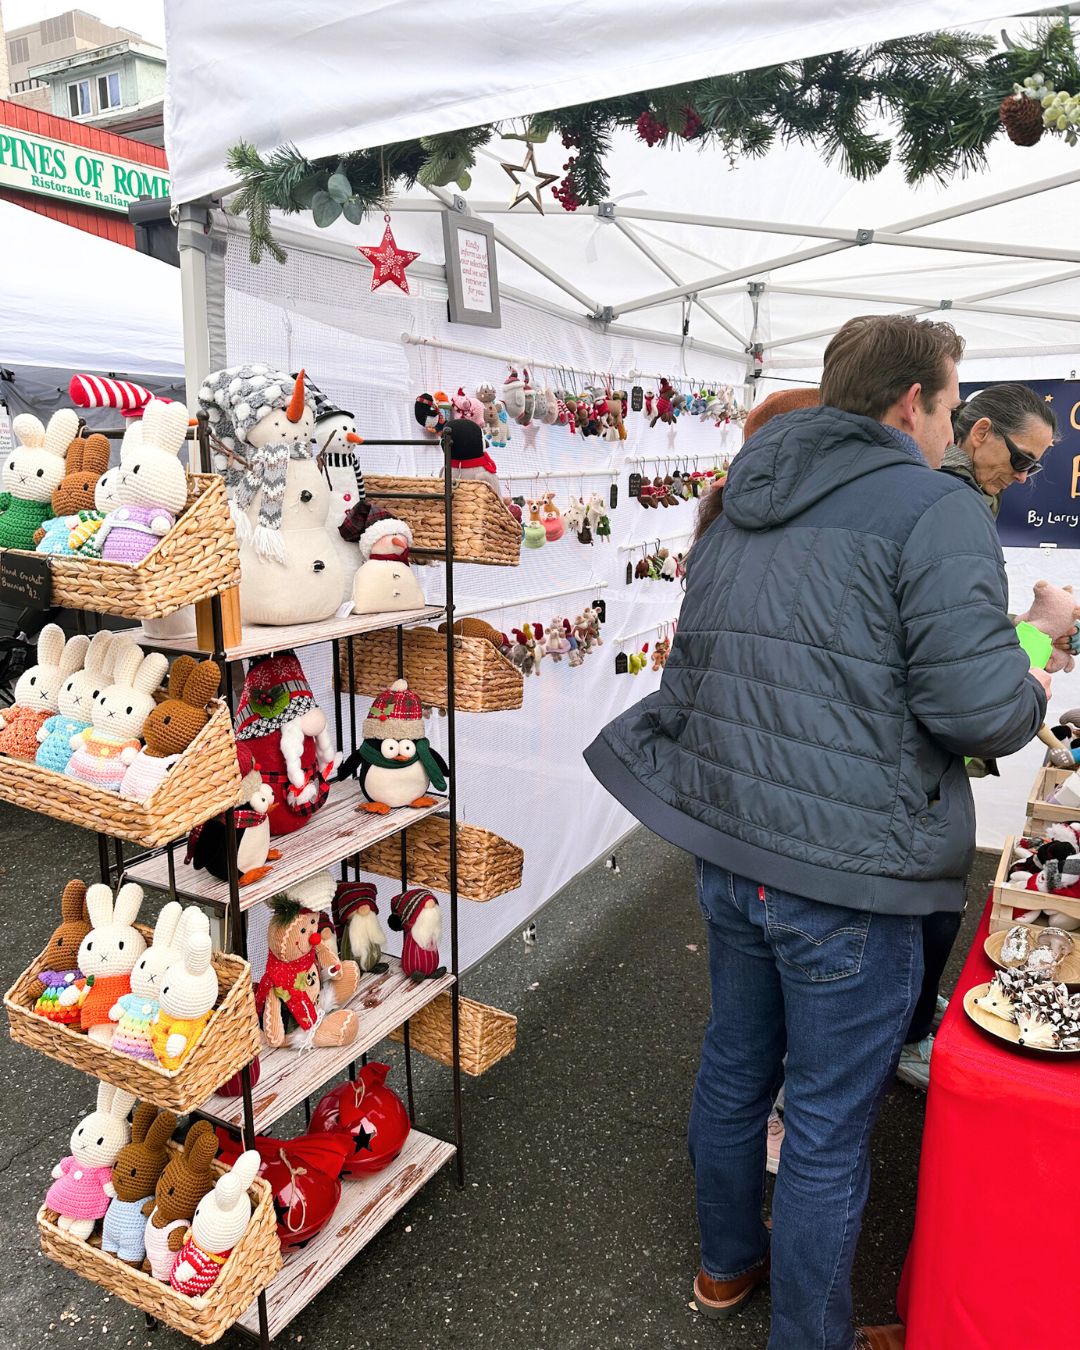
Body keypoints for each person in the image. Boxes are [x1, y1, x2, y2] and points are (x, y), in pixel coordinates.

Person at [584, 315, 1048, 1350]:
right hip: (850, 871)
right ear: (911, 404)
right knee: (829, 1127)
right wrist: (1030, 670)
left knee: (737, 1065)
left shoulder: (744, 493)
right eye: (951, 406)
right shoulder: (933, 506)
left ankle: (724, 1267)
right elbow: (978, 710)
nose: (953, 428)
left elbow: (711, 667)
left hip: (734, 849)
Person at [895, 383, 1057, 1092]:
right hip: (908, 764)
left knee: (933, 904)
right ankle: (903, 1033)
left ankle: (907, 1017)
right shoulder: (948, 503)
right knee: (928, 905)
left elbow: (954, 639)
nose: (1023, 477)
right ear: (978, 430)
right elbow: (966, 692)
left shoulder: (957, 501)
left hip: (906, 760)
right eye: (1021, 460)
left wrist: (1021, 634)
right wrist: (1037, 640)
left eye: (1035, 468)